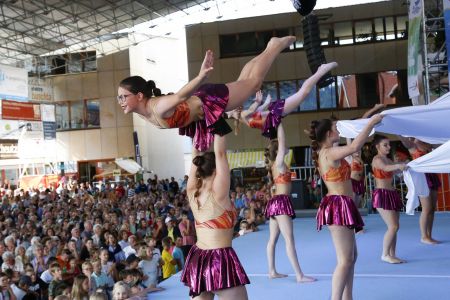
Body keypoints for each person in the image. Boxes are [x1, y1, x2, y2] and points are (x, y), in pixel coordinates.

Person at [118, 36, 297, 151]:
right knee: (245, 81)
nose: (120, 101)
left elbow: (181, 95)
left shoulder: (157, 107)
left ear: (140, 96)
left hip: (209, 100)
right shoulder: (144, 114)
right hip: (204, 106)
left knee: (253, 83)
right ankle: (268, 49)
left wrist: (200, 76)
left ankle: (274, 46)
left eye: (123, 97)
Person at [307, 115, 382, 300]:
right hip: (337, 205)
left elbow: (353, 142)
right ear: (328, 133)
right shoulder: (329, 152)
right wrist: (372, 123)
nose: (338, 130)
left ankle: (348, 297)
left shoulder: (331, 151)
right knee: (345, 260)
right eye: (335, 127)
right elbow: (355, 146)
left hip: (343, 204)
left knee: (351, 257)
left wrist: (369, 117)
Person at [181, 133, 249, 299]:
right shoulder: (219, 192)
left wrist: (197, 130)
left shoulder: (191, 191)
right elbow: (220, 153)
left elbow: (195, 155)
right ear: (216, 170)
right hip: (220, 260)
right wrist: (217, 118)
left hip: (197, 259)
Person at [226, 62, 338, 139]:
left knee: (303, 93)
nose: (234, 104)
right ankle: (320, 71)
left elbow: (255, 112)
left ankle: (321, 71)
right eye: (230, 107)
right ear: (229, 113)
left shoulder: (244, 117)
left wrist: (263, 102)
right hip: (275, 114)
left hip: (276, 112)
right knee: (303, 93)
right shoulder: (243, 116)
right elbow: (252, 111)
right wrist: (259, 102)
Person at [264, 124, 315, 283]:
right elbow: (281, 139)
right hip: (280, 203)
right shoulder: (278, 163)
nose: (287, 146)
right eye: (283, 145)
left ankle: (272, 271)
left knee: (273, 239)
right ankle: (299, 275)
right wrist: (279, 123)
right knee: (289, 240)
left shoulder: (278, 164)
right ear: (279, 149)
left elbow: (281, 142)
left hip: (276, 202)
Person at [371, 135, 408, 264]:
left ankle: (392, 254)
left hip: (391, 193)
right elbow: (386, 168)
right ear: (377, 147)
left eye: (389, 144)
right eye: (385, 145)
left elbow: (396, 171)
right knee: (393, 226)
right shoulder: (377, 159)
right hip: (382, 194)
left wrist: (406, 165)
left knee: (395, 227)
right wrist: (398, 164)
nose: (388, 147)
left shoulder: (388, 159)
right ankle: (385, 254)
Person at [398, 137, 441, 244]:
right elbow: (403, 140)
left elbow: (442, 147)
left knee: (432, 209)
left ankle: (429, 235)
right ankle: (423, 236)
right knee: (426, 208)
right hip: (422, 178)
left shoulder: (428, 143)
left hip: (432, 176)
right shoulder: (412, 145)